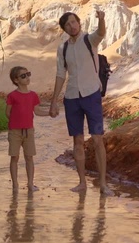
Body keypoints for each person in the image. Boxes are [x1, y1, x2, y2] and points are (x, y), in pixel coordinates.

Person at [49, 10, 114, 196]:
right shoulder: (63, 49)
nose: (72, 26)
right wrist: (54, 101)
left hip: (92, 94)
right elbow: (61, 74)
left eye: (73, 22)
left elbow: (101, 33)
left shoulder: (89, 40)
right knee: (77, 141)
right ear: (64, 29)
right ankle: (82, 183)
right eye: (68, 25)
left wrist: (102, 19)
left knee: (97, 139)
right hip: (71, 98)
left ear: (79, 22)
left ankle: (102, 184)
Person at [6, 66, 49, 192]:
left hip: (29, 130)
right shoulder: (12, 96)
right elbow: (7, 113)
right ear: (16, 80)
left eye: (28, 74)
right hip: (15, 131)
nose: (27, 78)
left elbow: (37, 111)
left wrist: (49, 113)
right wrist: (16, 122)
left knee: (29, 157)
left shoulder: (33, 95)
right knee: (14, 157)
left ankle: (30, 184)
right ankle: (15, 185)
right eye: (23, 76)